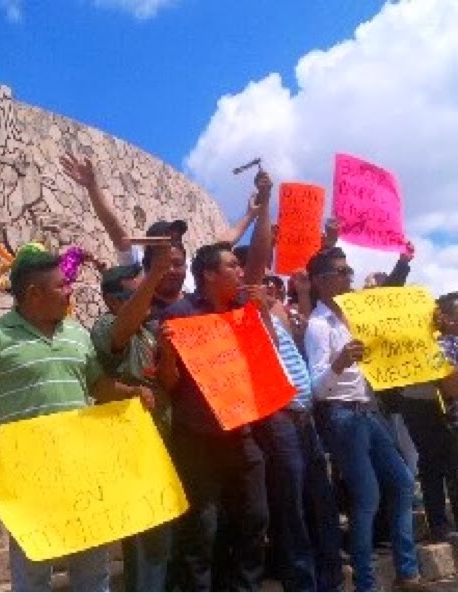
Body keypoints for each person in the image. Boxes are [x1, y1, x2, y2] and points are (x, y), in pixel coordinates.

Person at [0, 247, 154, 592]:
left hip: (82, 467)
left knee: (93, 563)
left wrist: (130, 392)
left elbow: (98, 387)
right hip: (27, 472)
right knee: (33, 566)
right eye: (62, 285)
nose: (70, 290)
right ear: (34, 294)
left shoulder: (77, 335)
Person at [156, 169, 274, 591]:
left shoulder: (241, 309)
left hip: (240, 435)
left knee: (255, 518)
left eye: (240, 267)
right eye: (231, 266)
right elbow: (169, 385)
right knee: (202, 531)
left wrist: (265, 201)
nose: (241, 272)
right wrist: (168, 351)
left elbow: (260, 258)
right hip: (197, 438)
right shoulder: (178, 317)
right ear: (208, 274)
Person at [304, 246, 427, 592]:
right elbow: (317, 389)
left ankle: (407, 573)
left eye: (349, 271)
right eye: (341, 272)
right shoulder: (317, 326)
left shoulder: (356, 314)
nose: (348, 277)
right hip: (342, 415)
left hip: (368, 411)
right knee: (367, 496)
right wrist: (339, 363)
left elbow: (390, 303)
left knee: (402, 482)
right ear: (321, 281)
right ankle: (366, 582)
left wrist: (402, 263)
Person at [252, 275, 343, 592]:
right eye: (263, 286)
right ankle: (302, 583)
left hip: (304, 415)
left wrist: (301, 294)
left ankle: (329, 580)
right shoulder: (249, 320)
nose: (270, 291)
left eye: (275, 288)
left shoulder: (279, 315)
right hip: (279, 416)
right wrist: (259, 220)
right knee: (292, 504)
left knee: (319, 497)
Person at [90, 244, 173, 591]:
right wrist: (154, 275)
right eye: (135, 294)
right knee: (141, 531)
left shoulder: (148, 332)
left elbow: (165, 379)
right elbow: (118, 335)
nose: (147, 300)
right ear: (112, 300)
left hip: (161, 435)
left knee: (161, 530)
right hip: (128, 439)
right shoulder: (107, 324)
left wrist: (167, 353)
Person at [59, 153, 260, 293]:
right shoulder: (137, 265)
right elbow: (114, 228)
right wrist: (93, 187)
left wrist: (250, 215)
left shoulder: (189, 267)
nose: (172, 243)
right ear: (150, 248)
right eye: (166, 238)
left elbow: (224, 242)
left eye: (176, 238)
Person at [400, 291, 458, 542]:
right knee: (437, 465)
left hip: (443, 410)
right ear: (444, 317)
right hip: (426, 408)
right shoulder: (436, 345)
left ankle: (443, 524)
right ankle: (439, 525)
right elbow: (450, 386)